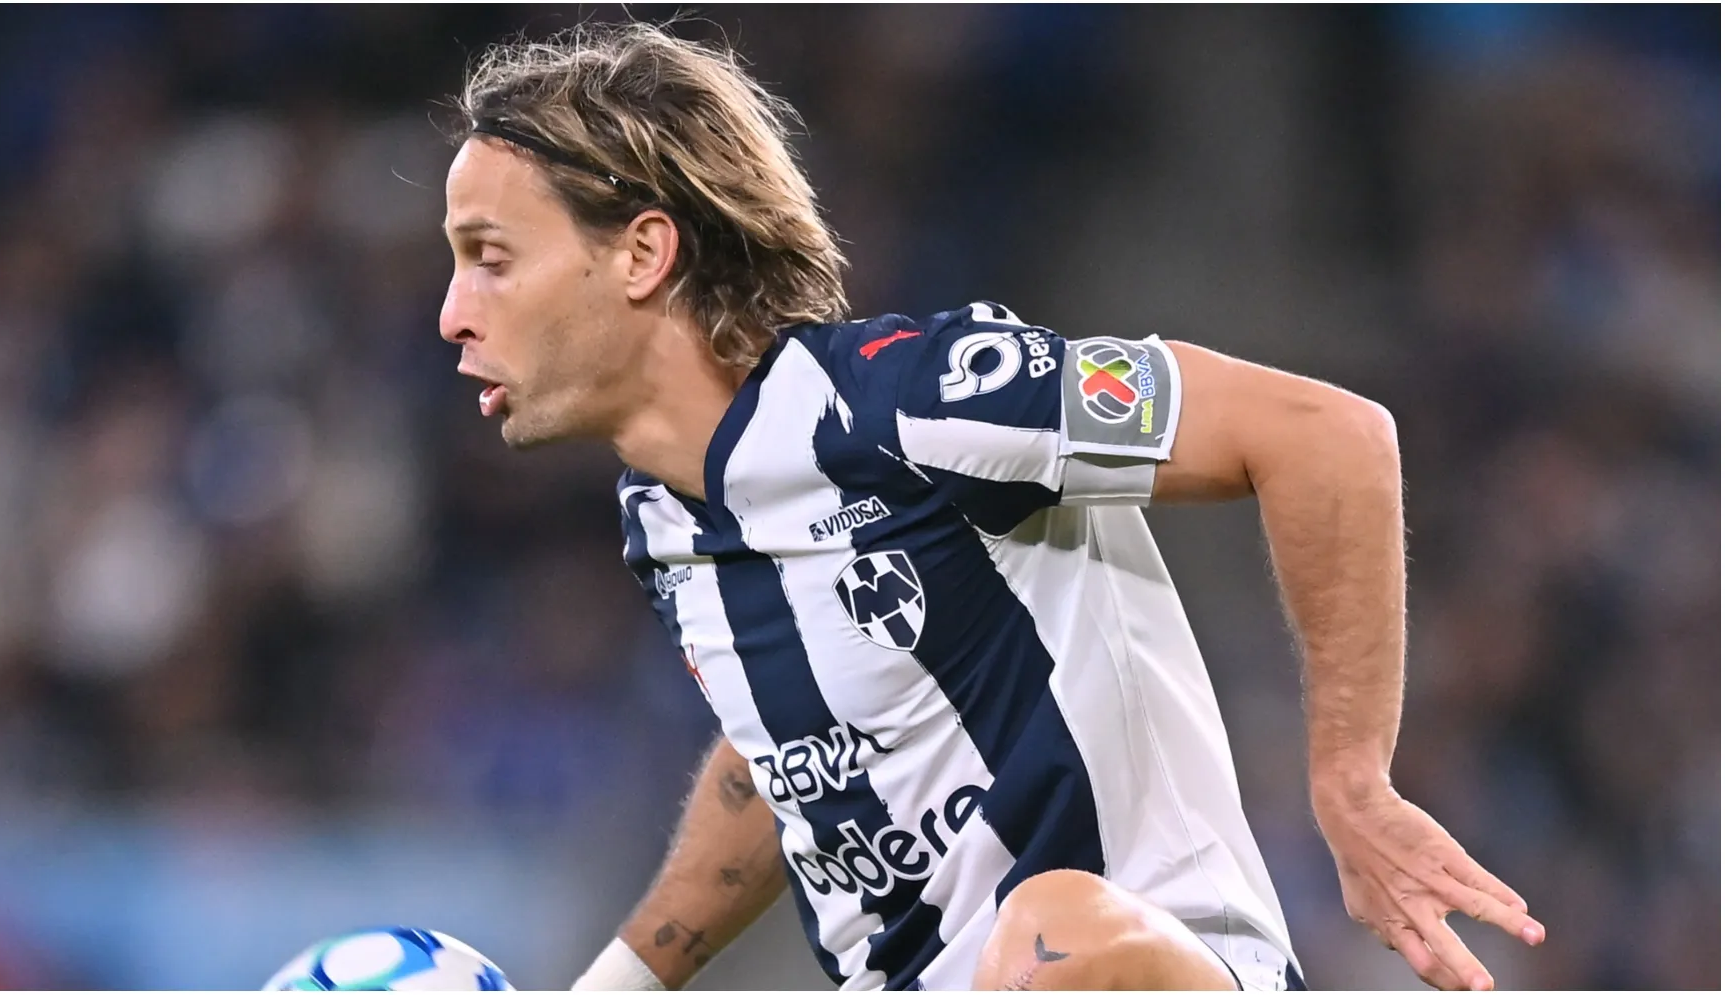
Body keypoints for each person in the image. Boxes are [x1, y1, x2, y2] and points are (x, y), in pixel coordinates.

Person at [435, 21, 1545, 992]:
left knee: (1050, 929)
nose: (450, 313)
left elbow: (1325, 434)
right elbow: (788, 749)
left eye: (491, 259)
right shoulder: (665, 519)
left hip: (1153, 964)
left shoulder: (925, 396)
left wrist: (1351, 778)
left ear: (640, 252)